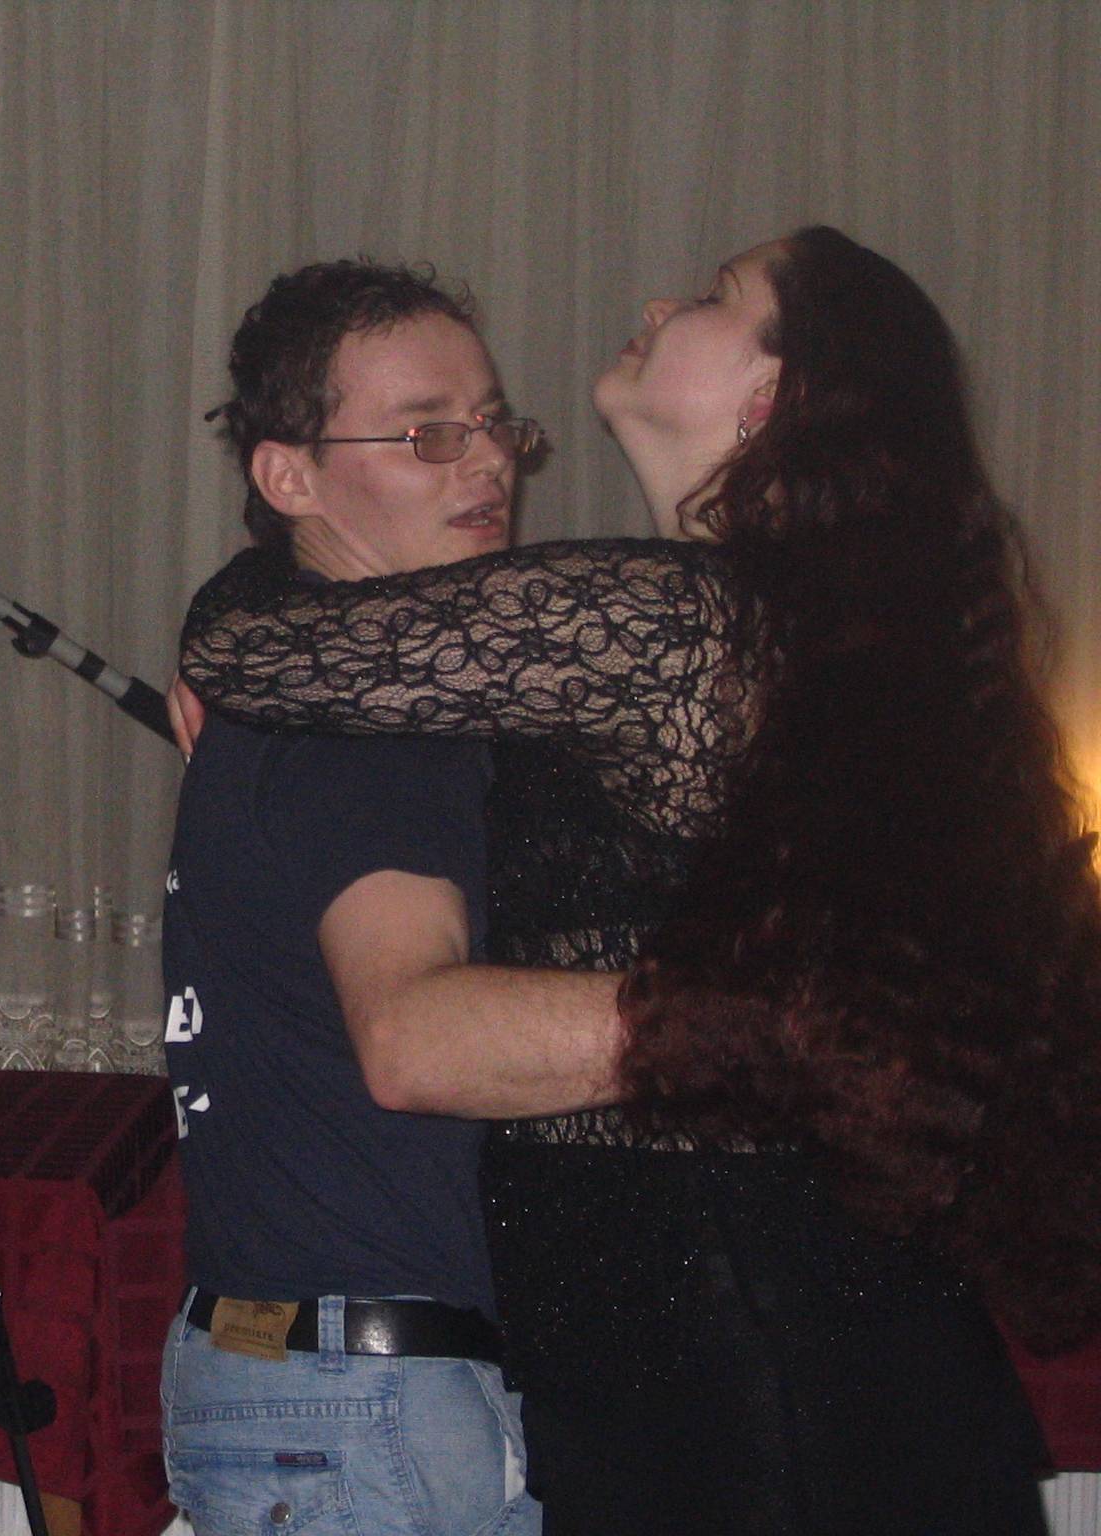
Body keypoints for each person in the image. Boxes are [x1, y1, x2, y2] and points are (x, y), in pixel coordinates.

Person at [175, 227, 1101, 1534]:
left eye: (716, 297)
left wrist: (248, 623)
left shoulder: (668, 619)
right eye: (431, 433)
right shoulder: (790, 635)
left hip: (745, 1350)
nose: (666, 301)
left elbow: (254, 646)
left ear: (773, 396)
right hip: (756, 1333)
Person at [160, 258, 544, 1536]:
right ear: (290, 477)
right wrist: (751, 1018)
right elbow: (415, 1039)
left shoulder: (305, 675)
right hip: (361, 1403)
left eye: (491, 422)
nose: (484, 462)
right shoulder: (363, 723)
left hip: (309, 1385)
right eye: (427, 434)